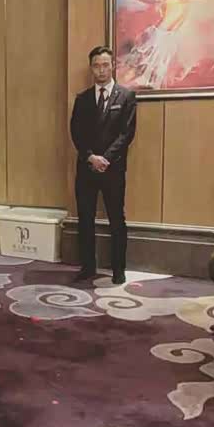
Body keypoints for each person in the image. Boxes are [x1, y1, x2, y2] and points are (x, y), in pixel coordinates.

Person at [70, 45, 137, 286]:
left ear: (113, 66)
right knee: (85, 219)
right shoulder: (82, 99)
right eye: (96, 66)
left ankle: (119, 269)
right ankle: (88, 267)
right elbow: (76, 132)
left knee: (116, 219)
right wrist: (91, 157)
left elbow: (127, 133)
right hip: (87, 168)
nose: (101, 70)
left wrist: (105, 158)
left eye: (105, 65)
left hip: (113, 169)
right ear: (91, 68)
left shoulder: (126, 97)